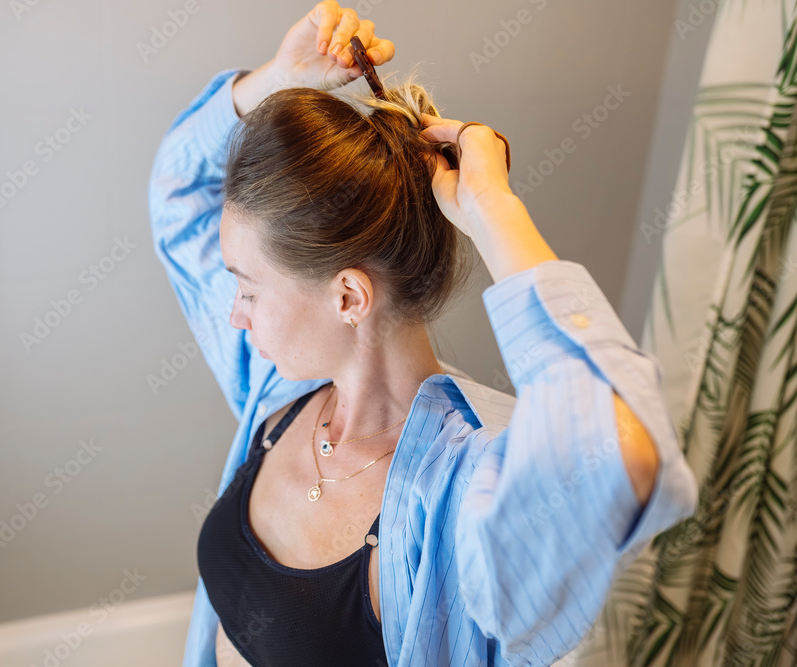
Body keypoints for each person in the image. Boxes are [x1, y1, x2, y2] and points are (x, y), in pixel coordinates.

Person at [148, 2, 699, 665]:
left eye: (248, 289)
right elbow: (179, 190)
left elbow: (620, 457)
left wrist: (494, 210)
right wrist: (279, 79)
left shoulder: (461, 493)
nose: (234, 314)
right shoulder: (278, 394)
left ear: (348, 297)